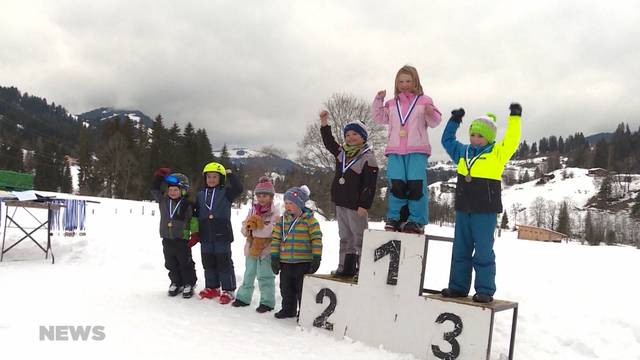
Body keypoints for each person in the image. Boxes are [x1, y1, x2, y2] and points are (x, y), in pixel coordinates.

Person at [440, 103, 522, 303]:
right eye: (473, 135)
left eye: (480, 136)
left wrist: (515, 117)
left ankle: (484, 290)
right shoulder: (462, 152)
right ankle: (458, 287)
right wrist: (454, 121)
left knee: (484, 251)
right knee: (460, 249)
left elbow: (512, 140)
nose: (475, 139)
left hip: (485, 212)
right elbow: (447, 140)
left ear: (490, 138)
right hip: (463, 209)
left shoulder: (497, 153)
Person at [372, 65, 442, 233]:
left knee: (416, 185)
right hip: (395, 150)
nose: (404, 84)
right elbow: (379, 118)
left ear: (415, 81)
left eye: (408, 81)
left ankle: (416, 220)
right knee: (396, 185)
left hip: (417, 150)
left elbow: (435, 121)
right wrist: (378, 101)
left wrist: (429, 112)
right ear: (396, 83)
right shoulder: (391, 103)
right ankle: (394, 217)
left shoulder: (424, 101)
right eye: (401, 81)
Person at [319, 110, 378, 277]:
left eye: (355, 134)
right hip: (341, 202)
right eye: (347, 135)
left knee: (360, 238)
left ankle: (363, 270)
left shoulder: (368, 157)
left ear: (363, 137)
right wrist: (324, 123)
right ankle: (345, 267)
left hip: (356, 206)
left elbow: (370, 184)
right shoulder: (342, 154)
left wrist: (364, 205)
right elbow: (329, 142)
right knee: (345, 237)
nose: (350, 137)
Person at [191, 162, 243, 305]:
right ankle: (212, 287)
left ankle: (229, 289)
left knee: (224, 262)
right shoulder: (200, 194)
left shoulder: (226, 192)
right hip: (205, 234)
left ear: (221, 178)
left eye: (215, 177)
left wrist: (230, 175)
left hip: (222, 234)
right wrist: (194, 231)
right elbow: (194, 213)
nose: (212, 179)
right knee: (208, 262)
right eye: (209, 177)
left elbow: (239, 189)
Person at [271, 185, 322, 319]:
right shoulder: (282, 221)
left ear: (299, 204)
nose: (287, 206)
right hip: (285, 261)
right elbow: (276, 238)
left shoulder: (310, 220)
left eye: (291, 203)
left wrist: (317, 257)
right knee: (286, 288)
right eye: (286, 203)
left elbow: (316, 239)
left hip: (303, 262)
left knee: (302, 289)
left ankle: (304, 312)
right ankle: (288, 309)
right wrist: (274, 257)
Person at [232, 176, 280, 313]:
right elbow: (244, 226)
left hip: (266, 250)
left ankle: (267, 302)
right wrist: (247, 228)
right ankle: (243, 298)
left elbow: (271, 231)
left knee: (265, 276)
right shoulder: (252, 210)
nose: (261, 199)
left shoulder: (275, 212)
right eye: (259, 196)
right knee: (249, 273)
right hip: (251, 248)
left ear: (271, 197)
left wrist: (256, 229)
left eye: (265, 196)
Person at [151, 168, 198, 298]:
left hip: (182, 239)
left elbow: (193, 220)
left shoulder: (187, 204)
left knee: (185, 262)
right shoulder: (163, 201)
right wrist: (159, 176)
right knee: (170, 263)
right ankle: (176, 282)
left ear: (183, 190)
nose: (172, 192)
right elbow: (155, 190)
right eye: (170, 190)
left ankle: (189, 283)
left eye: (176, 190)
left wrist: (194, 234)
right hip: (167, 238)